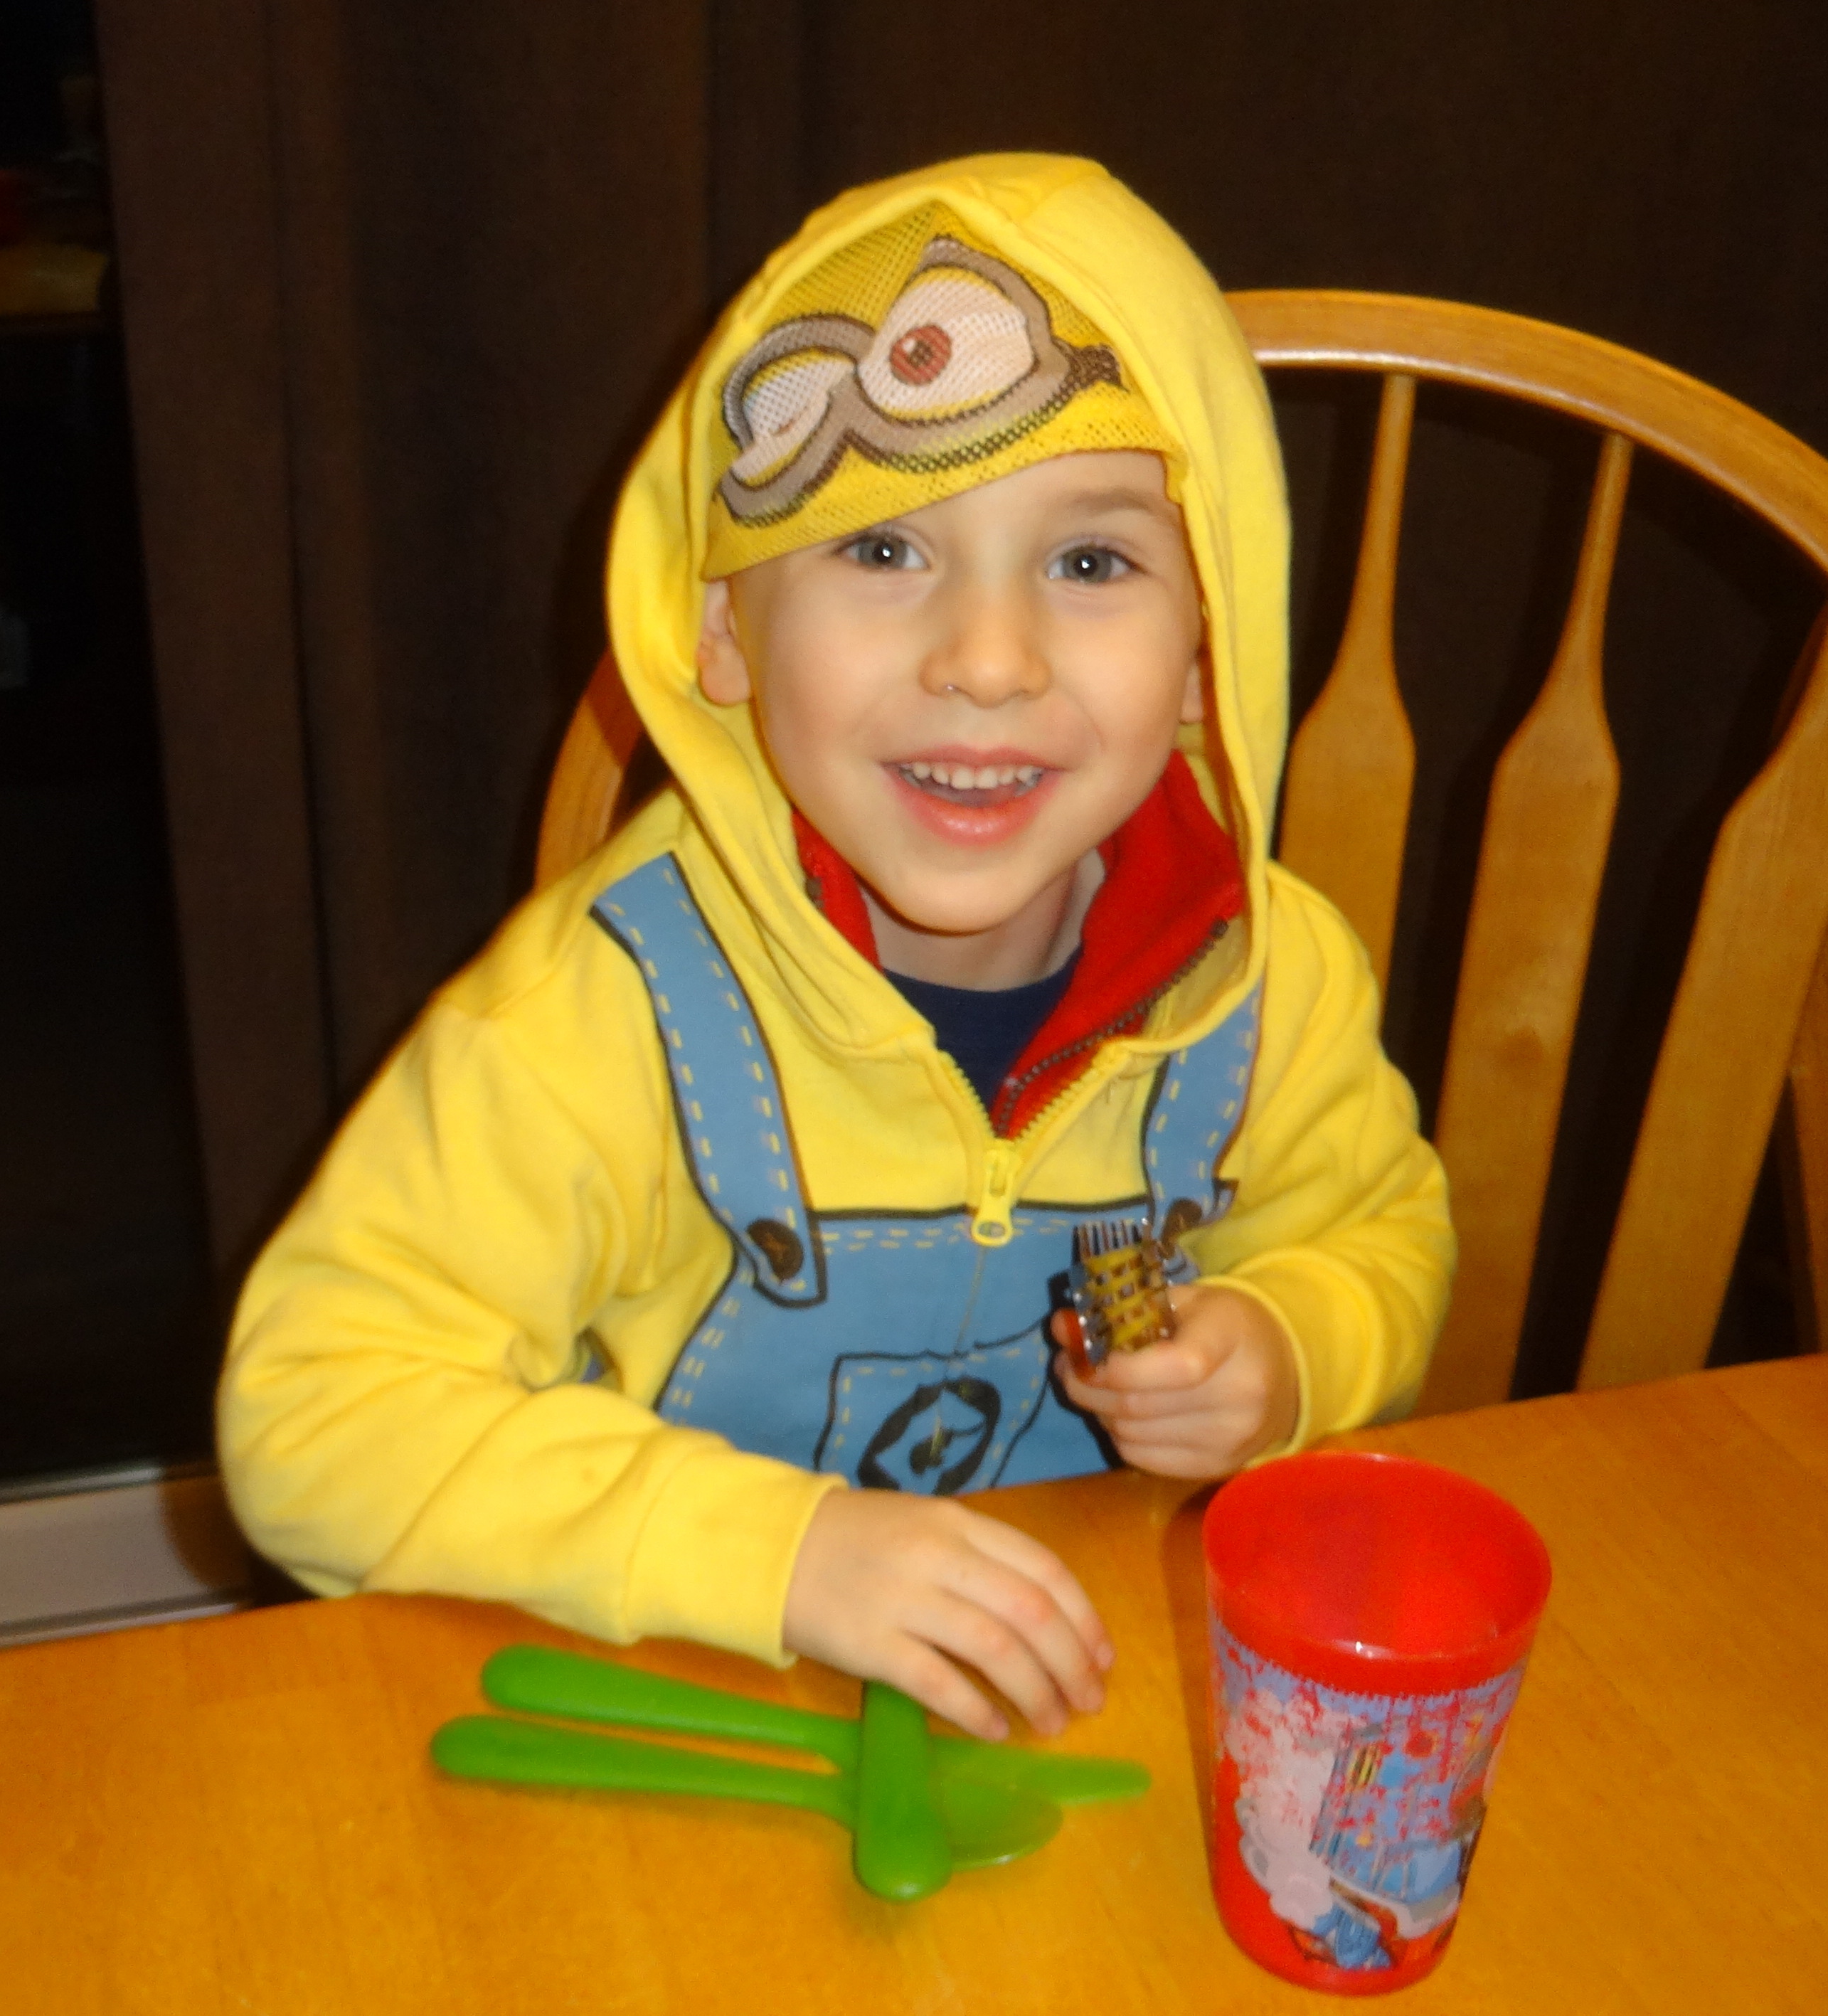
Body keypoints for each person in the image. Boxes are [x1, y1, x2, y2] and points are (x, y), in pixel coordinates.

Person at [219, 153, 1453, 1745]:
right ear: (721, 628)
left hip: (1095, 1710)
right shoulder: (600, 1015)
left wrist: (1291, 1345)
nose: (989, 662)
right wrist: (781, 1553)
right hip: (679, 1722)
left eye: (1091, 564)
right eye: (881, 550)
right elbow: (313, 1409)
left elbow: (1383, 1230)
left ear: (1213, 644)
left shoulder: (1272, 983)